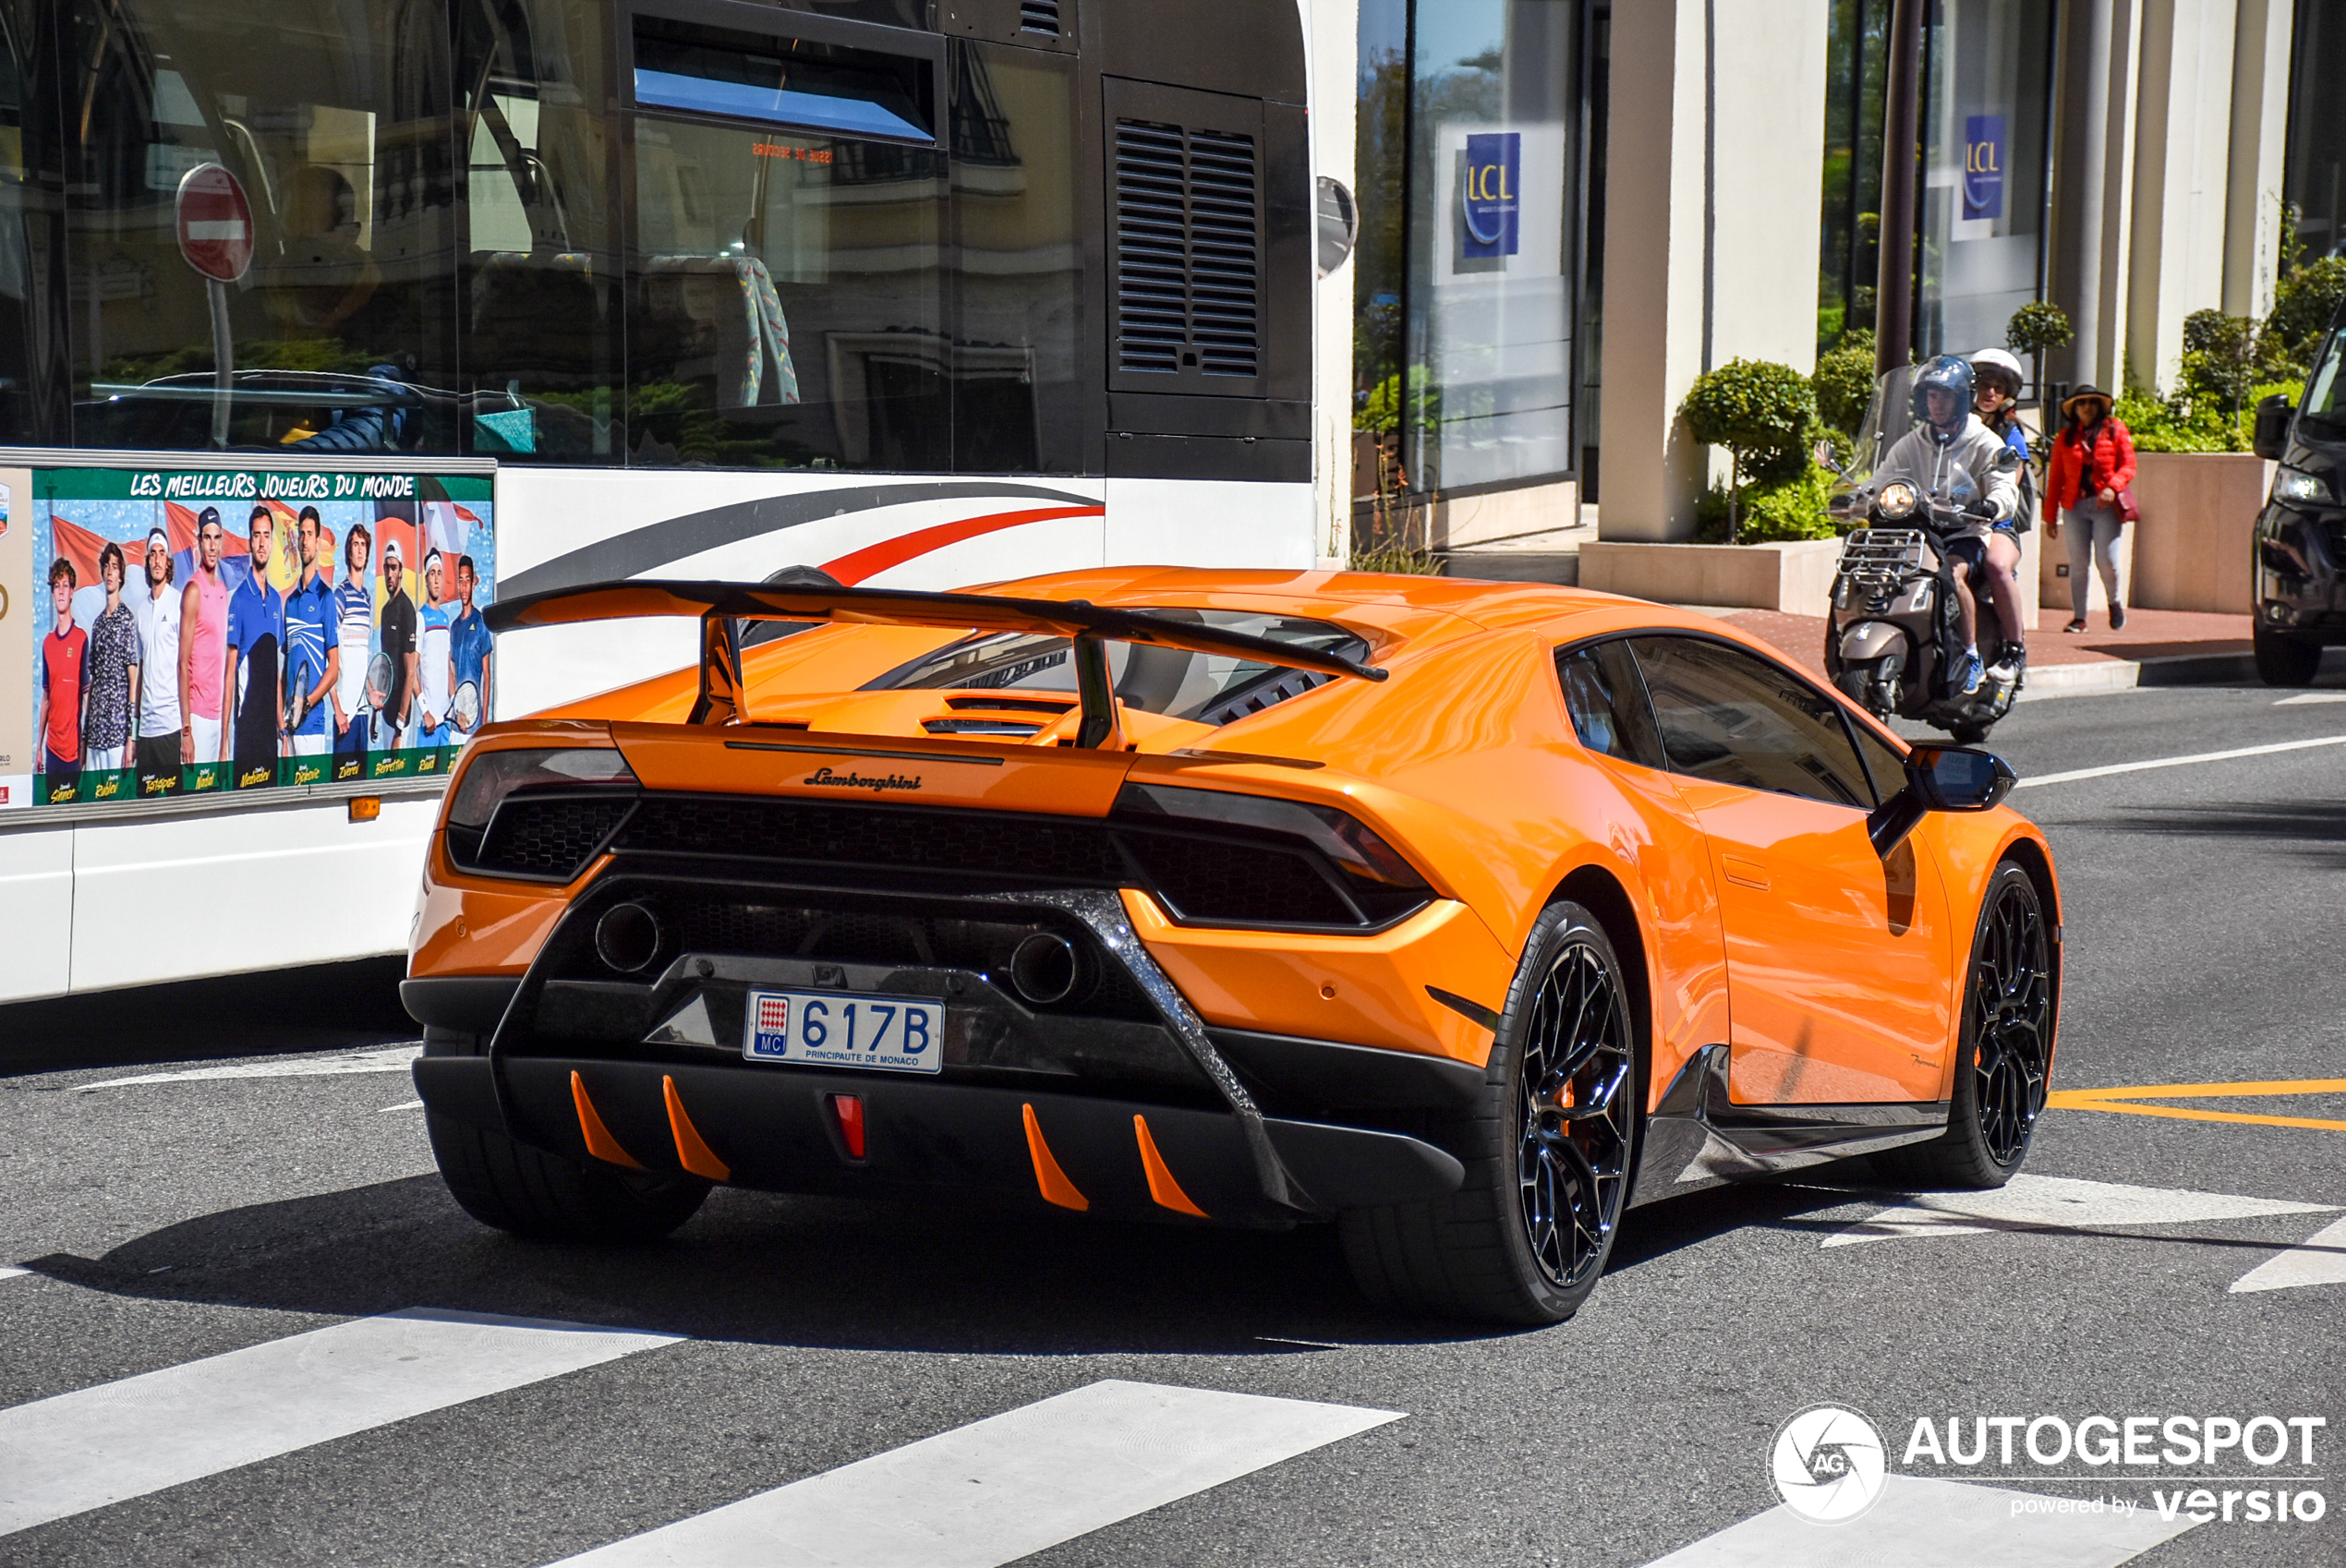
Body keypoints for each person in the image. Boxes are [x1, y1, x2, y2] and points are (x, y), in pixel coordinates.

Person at [1871, 355, 2022, 694]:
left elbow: (2004, 485)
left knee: (1951, 576)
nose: (1937, 404)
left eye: (1946, 396)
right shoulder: (1914, 441)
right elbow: (1881, 478)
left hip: (1966, 531)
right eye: (1931, 395)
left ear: (1961, 399)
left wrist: (1992, 503)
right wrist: (1857, 497)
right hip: (1921, 531)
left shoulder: (1985, 441)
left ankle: (1969, 657)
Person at [2042, 384, 2137, 633]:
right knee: (2078, 563)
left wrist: (2113, 487)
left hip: (2104, 505)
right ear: (2074, 409)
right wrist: (2050, 517)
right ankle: (2079, 617)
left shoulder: (2115, 429)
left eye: (2092, 403)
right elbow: (2055, 479)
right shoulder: (2065, 438)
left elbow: (2129, 465)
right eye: (2081, 403)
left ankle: (2114, 604)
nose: (2087, 408)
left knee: (2107, 560)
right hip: (2075, 506)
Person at [1967, 348, 2036, 678]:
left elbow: (2012, 481)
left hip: (1997, 525)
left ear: (2007, 394)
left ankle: (2014, 648)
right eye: (1982, 384)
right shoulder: (1952, 427)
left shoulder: (2011, 435)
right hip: (1953, 520)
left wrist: (1992, 505)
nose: (1989, 393)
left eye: (1997, 387)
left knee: (1996, 566)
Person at [223, 505, 285, 789]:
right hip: (246, 731)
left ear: (272, 542)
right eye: (256, 535)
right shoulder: (238, 600)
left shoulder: (275, 601)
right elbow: (229, 673)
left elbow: (275, 674)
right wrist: (224, 739)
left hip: (269, 736)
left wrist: (283, 732)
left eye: (266, 536)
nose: (261, 542)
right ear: (250, 541)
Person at [80, 542, 141, 787]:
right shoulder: (97, 624)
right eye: (106, 566)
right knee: (94, 797)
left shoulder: (126, 619)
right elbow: (93, 682)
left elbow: (132, 678)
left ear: (121, 574)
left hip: (117, 731)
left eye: (114, 567)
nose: (109, 572)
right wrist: (85, 735)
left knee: (115, 798)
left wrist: (130, 736)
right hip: (96, 729)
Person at [282, 505, 338, 769]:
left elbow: (334, 668)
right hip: (288, 730)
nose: (305, 540)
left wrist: (307, 703)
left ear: (318, 542)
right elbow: (287, 668)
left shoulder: (326, 598)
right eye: (301, 534)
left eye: (309, 534)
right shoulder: (290, 603)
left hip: (313, 727)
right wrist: (284, 722)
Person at [130, 526, 182, 796]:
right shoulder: (140, 610)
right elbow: (139, 673)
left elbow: (187, 667)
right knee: (145, 810)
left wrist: (186, 730)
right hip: (147, 734)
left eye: (162, 553)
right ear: (147, 561)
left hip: (171, 728)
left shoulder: (178, 603)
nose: (157, 559)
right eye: (153, 554)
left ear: (168, 562)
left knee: (175, 811)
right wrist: (135, 733)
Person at [179, 506, 230, 769]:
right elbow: (182, 664)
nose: (212, 545)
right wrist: (186, 731)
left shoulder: (223, 592)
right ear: (199, 541)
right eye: (207, 538)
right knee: (193, 799)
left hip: (218, 715)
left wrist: (225, 736)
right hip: (197, 718)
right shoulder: (193, 590)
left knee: (215, 800)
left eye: (217, 538)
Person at [34, 558, 88, 802]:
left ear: (72, 592)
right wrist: (38, 748)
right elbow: (46, 698)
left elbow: (86, 699)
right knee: (52, 815)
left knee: (74, 816)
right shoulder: (47, 644)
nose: (61, 591)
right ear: (53, 592)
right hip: (52, 750)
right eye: (57, 586)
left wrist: (84, 749)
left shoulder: (81, 639)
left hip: (74, 752)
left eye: (65, 586)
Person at [332, 521, 375, 775]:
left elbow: (361, 656)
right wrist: (338, 711)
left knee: (361, 785)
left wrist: (371, 691)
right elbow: (332, 658)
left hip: (362, 714)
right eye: (355, 545)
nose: (360, 550)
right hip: (345, 716)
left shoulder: (367, 597)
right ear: (349, 551)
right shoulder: (341, 595)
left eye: (363, 546)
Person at [379, 537, 418, 750]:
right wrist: (376, 714)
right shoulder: (385, 611)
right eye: (387, 568)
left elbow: (410, 673)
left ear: (401, 570)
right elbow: (384, 666)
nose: (390, 573)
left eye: (394, 567)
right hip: (385, 714)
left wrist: (400, 729)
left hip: (399, 722)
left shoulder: (406, 609)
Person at [414, 549, 453, 750]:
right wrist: (425, 712)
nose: (436, 579)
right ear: (426, 580)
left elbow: (448, 669)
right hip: (428, 725)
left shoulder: (446, 620)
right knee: (424, 782)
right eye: (432, 573)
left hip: (446, 723)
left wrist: (456, 705)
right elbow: (412, 671)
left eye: (439, 573)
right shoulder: (420, 619)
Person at [450, 553, 492, 735]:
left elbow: (487, 676)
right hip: (455, 724)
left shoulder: (481, 622)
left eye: (468, 580)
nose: (464, 586)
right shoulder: (454, 627)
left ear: (473, 582)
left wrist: (482, 722)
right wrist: (457, 712)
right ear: (458, 585)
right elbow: (450, 673)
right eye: (461, 581)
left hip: (475, 726)